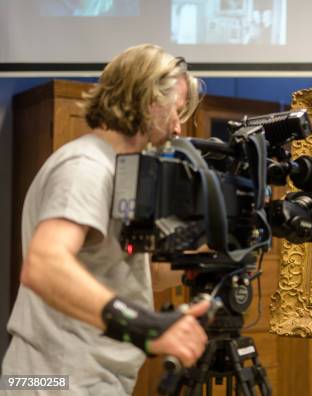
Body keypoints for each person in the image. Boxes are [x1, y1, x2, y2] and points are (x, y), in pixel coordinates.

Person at [2, 44, 210, 395]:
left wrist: (214, 244)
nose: (178, 129)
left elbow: (148, 276)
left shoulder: (119, 172)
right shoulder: (86, 167)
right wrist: (147, 327)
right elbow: (44, 265)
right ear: (147, 101)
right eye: (175, 112)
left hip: (83, 380)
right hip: (55, 381)